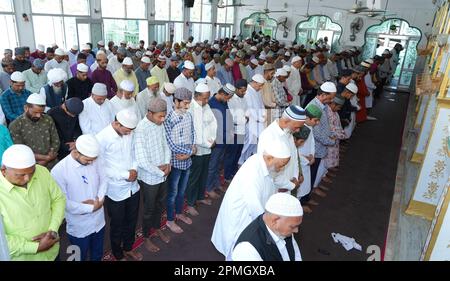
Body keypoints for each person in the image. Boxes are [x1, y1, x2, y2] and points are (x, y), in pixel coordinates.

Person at [211, 139, 291, 260]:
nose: (280, 169)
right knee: (237, 252)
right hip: (242, 217)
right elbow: (254, 206)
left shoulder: (267, 164)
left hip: (254, 218)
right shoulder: (252, 170)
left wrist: (291, 185)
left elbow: (273, 181)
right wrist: (270, 229)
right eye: (281, 165)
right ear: (269, 158)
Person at [0, 144, 65, 261]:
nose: (27, 178)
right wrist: (36, 247)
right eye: (21, 175)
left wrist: (53, 230)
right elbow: (1, 240)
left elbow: (58, 199)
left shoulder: (42, 172)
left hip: (52, 252)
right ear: (4, 170)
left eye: (31, 172)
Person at [50, 135, 106, 261]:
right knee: (77, 257)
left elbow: (104, 179)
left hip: (99, 220)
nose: (91, 163)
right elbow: (63, 203)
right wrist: (90, 208)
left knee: (97, 254)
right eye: (88, 160)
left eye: (93, 159)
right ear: (75, 152)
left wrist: (100, 199)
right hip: (79, 226)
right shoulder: (59, 171)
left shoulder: (94, 158)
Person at [96, 109, 142, 261]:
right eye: (127, 130)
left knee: (132, 220)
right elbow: (100, 166)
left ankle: (128, 247)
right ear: (116, 123)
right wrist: (124, 175)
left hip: (133, 186)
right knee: (117, 224)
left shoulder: (129, 132)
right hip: (116, 190)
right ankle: (117, 253)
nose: (129, 133)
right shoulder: (102, 138)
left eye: (131, 131)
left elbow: (134, 152)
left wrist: (134, 169)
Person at [134, 98, 172, 253]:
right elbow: (142, 160)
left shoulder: (160, 124)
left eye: (164, 116)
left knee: (160, 204)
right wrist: (160, 171)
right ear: (149, 113)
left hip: (163, 173)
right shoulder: (140, 129)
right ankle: (146, 237)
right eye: (160, 116)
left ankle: (157, 228)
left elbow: (166, 145)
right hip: (150, 177)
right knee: (149, 209)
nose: (162, 119)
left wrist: (168, 164)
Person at [232, 193, 303, 261]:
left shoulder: (285, 228)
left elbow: (295, 254)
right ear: (275, 220)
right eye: (293, 227)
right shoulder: (247, 250)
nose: (296, 231)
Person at [163, 87, 196, 234]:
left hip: (186, 160)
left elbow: (193, 133)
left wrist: (191, 150)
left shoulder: (188, 115)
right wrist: (190, 152)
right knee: (173, 192)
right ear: (176, 101)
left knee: (182, 191)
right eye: (185, 103)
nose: (187, 106)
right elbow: (171, 144)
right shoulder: (169, 119)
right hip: (175, 162)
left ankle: (179, 213)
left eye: (189, 103)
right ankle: (170, 220)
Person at [258, 105, 306, 195]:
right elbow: (270, 171)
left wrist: (295, 176)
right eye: (297, 127)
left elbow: (294, 156)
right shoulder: (268, 136)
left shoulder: (288, 132)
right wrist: (291, 185)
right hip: (277, 190)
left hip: (290, 183)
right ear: (285, 121)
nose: (298, 131)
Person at [185, 83, 218, 215]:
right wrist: (207, 143)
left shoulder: (206, 105)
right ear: (197, 96)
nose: (206, 100)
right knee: (194, 177)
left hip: (208, 146)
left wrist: (213, 138)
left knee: (204, 174)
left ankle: (200, 197)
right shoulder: (191, 108)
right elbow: (195, 132)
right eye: (204, 98)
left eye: (207, 98)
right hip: (197, 149)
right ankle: (191, 203)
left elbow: (213, 123)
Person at [9, 93, 60, 169]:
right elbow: (21, 150)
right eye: (35, 112)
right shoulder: (15, 125)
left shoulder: (48, 119)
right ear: (26, 108)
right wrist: (45, 158)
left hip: (53, 161)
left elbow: (56, 140)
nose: (39, 116)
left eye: (41, 112)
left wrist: (49, 157)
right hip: (31, 164)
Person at [306, 82, 337, 198]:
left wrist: (331, 134)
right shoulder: (313, 107)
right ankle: (305, 200)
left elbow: (325, 125)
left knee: (313, 174)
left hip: (319, 147)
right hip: (314, 148)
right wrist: (331, 141)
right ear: (323, 95)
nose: (330, 101)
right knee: (310, 175)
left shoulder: (321, 105)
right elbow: (316, 133)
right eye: (330, 98)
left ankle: (308, 196)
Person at [205, 84, 235, 199]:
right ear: (222, 94)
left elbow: (228, 116)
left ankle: (216, 184)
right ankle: (209, 188)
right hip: (217, 140)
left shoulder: (223, 102)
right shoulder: (211, 103)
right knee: (212, 165)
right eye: (228, 97)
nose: (228, 100)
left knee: (219, 164)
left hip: (225, 138)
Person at [238, 74, 266, 165]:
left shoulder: (257, 91)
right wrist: (260, 119)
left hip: (258, 121)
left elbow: (261, 105)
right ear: (254, 82)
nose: (261, 87)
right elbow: (249, 109)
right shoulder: (248, 91)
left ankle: (248, 159)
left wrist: (264, 115)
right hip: (250, 122)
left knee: (254, 143)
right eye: (260, 85)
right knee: (248, 142)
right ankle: (241, 160)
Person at [225, 79, 247, 182]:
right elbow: (232, 116)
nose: (243, 93)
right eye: (242, 90)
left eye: (245, 90)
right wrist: (243, 119)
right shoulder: (231, 100)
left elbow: (247, 111)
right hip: (234, 130)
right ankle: (227, 175)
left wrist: (245, 118)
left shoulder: (244, 98)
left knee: (238, 152)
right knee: (231, 154)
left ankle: (234, 171)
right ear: (237, 89)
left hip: (242, 130)